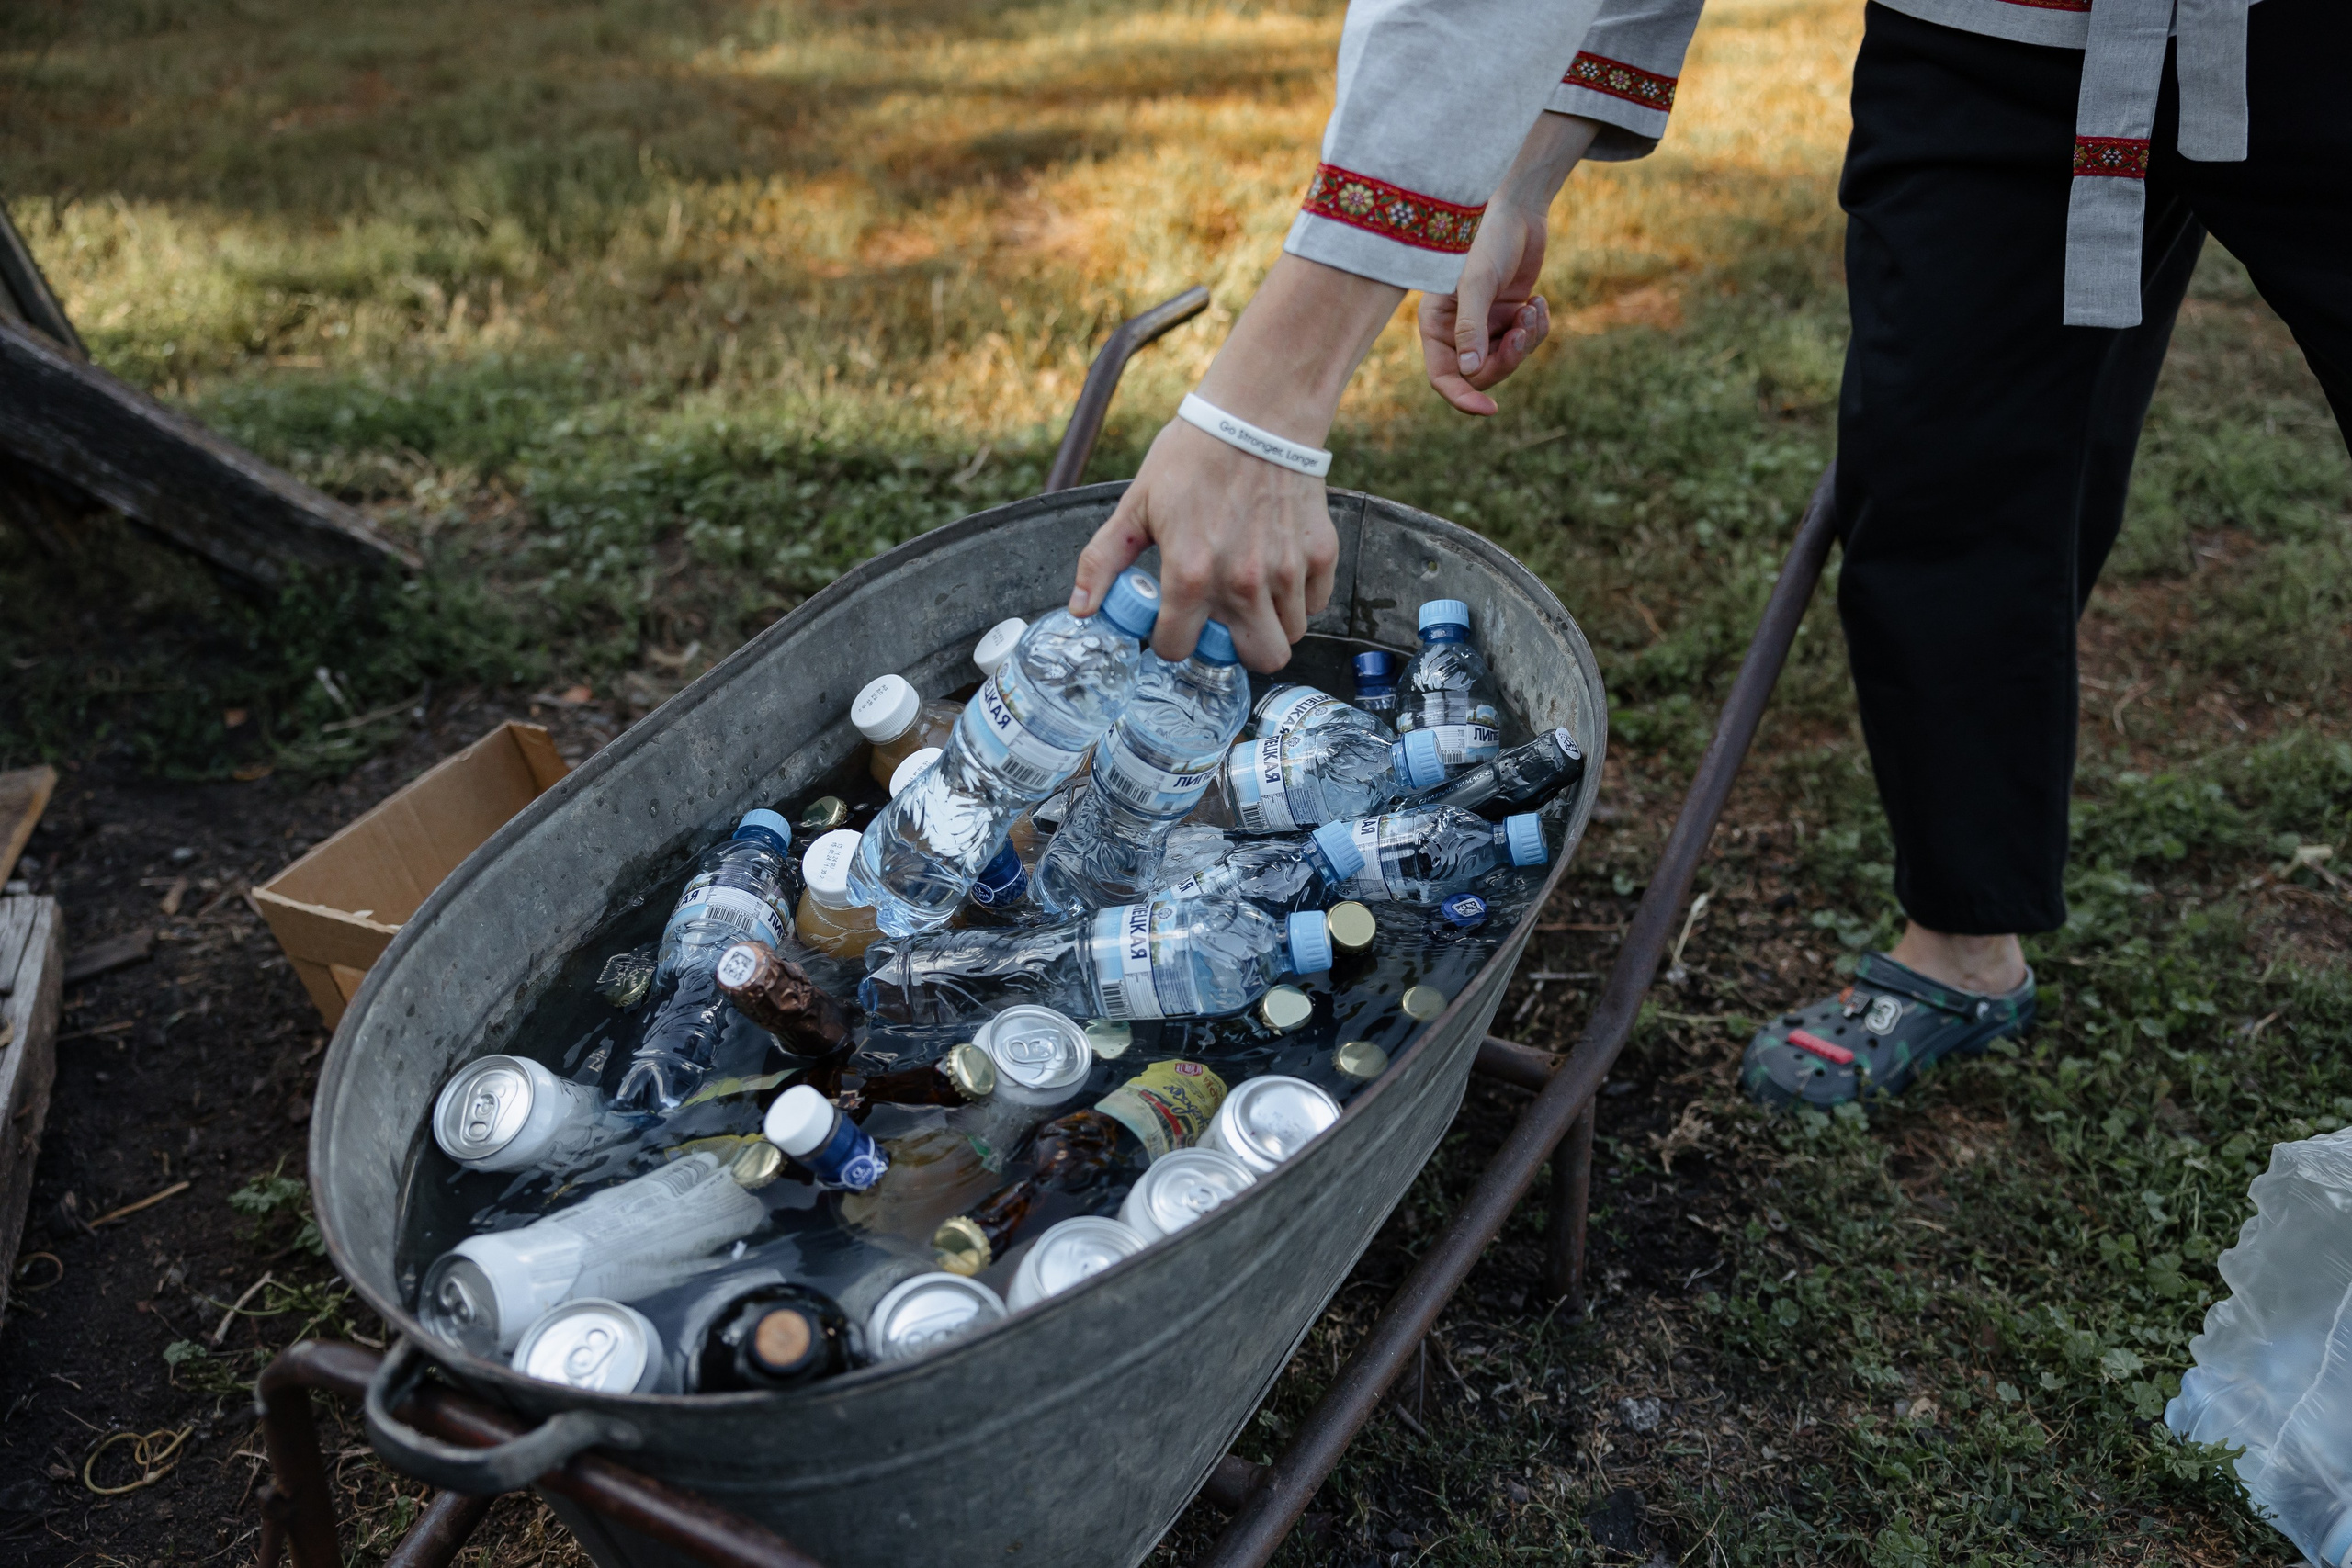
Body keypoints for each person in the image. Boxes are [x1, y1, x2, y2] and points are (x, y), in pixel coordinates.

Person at [1063, 0, 2347, 1110]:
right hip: (1994, 32)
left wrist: (1265, 407)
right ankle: (1963, 947)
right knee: (1940, 481)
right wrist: (1522, 173)